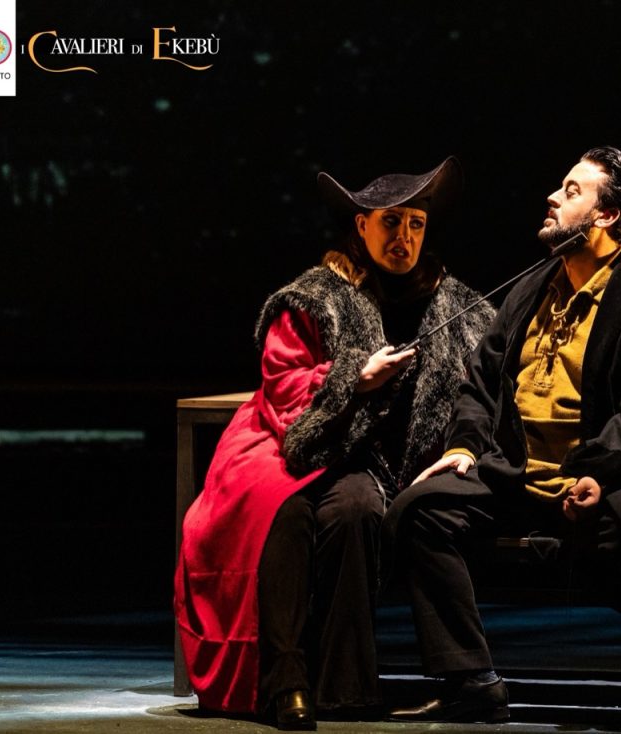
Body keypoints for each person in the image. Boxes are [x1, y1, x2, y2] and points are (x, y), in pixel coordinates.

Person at [383, 146, 621, 729]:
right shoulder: (531, 290)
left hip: (600, 482)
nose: (553, 197)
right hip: (518, 478)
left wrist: (598, 473)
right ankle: (471, 682)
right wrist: (464, 447)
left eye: (573, 191)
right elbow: (480, 383)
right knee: (421, 511)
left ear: (606, 216)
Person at [173, 157, 495, 729]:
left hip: (389, 470)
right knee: (290, 513)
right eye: (390, 222)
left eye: (416, 224)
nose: (404, 237)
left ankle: (345, 689)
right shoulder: (316, 296)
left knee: (356, 509)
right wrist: (353, 377)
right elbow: (284, 385)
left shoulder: (461, 310)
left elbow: (484, 393)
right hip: (302, 450)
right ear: (362, 226)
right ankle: (287, 683)